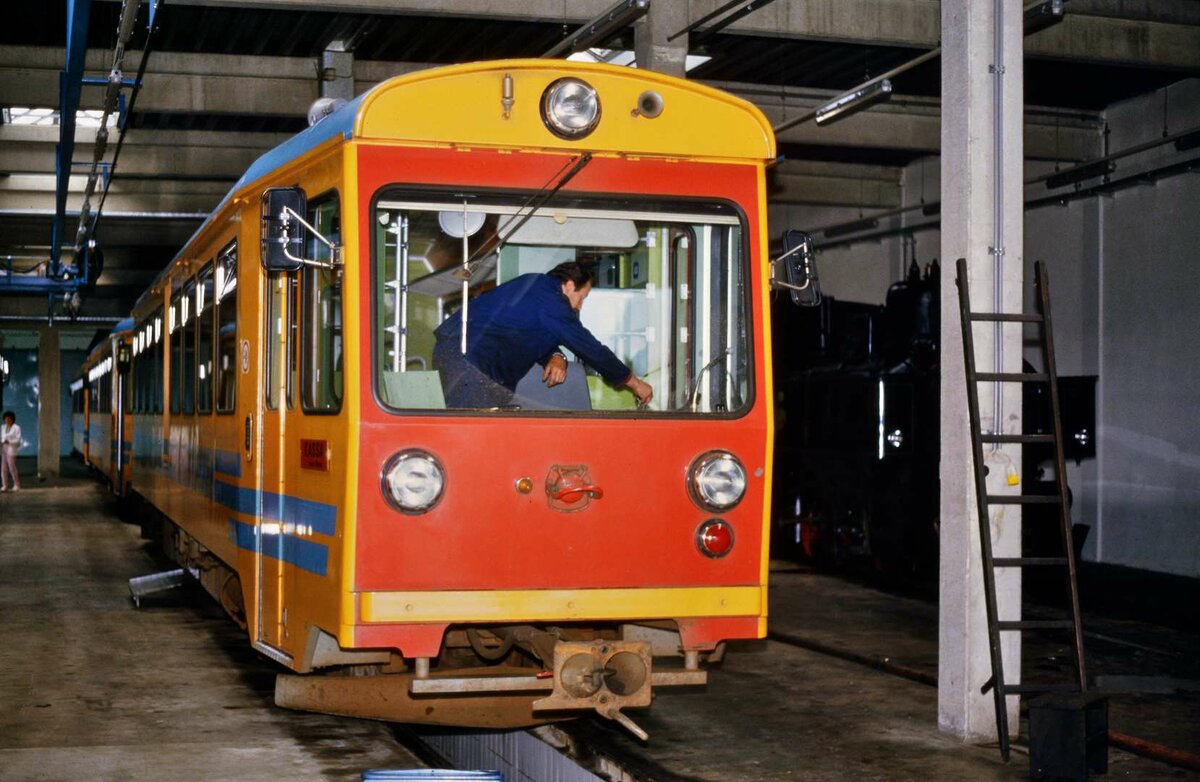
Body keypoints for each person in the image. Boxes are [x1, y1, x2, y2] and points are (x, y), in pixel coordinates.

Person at [433, 261, 653, 409]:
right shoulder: (552, 301)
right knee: (475, 435)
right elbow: (587, 346)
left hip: (458, 355)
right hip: (471, 364)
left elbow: (528, 332)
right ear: (568, 285)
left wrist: (557, 356)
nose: (580, 306)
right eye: (582, 297)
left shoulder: (536, 287)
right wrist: (633, 382)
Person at [1, 411, 21, 492]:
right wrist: (3, 441)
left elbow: (18, 440)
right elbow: (1, 437)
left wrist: (10, 441)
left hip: (11, 447)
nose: (7, 420)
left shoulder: (16, 428)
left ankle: (16, 485)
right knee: (3, 468)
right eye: (6, 419)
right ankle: (5, 485)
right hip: (4, 447)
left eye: (9, 418)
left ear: (12, 419)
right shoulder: (3, 427)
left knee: (12, 467)